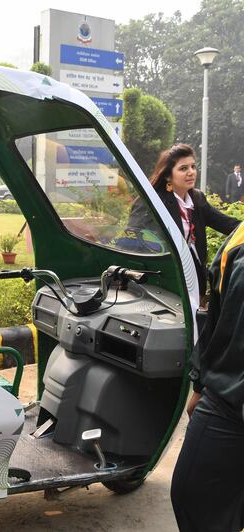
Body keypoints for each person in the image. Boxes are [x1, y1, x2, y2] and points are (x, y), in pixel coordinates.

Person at [171, 221, 244, 531]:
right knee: (192, 495)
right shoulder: (239, 238)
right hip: (227, 396)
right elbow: (216, 311)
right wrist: (199, 383)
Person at [129, 144, 239, 296]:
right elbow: (134, 241)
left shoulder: (197, 199)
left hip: (195, 280)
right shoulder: (152, 203)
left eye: (193, 167)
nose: (191, 172)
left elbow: (228, 224)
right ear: (168, 175)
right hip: (163, 285)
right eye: (183, 168)